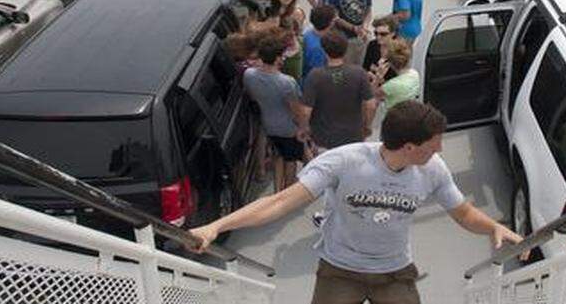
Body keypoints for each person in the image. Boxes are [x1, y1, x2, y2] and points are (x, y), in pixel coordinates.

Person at [189, 101, 525, 304]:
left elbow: (463, 213)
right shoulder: (343, 162)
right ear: (409, 146)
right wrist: (216, 226)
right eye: (433, 144)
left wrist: (494, 227)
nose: (439, 150)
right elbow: (280, 202)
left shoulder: (431, 169)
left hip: (394, 271)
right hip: (340, 270)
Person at [244, 36, 307, 193]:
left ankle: (278, 191)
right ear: (278, 58)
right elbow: (295, 109)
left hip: (268, 126)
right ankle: (289, 189)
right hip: (288, 129)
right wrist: (303, 127)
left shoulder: (249, 75)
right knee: (291, 160)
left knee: (278, 157)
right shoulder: (287, 82)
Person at [300, 31, 375, 155]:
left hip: (323, 139)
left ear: (324, 50)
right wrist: (367, 126)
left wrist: (304, 129)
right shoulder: (359, 73)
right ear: (345, 50)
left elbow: (305, 111)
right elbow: (371, 105)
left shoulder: (315, 75)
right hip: (353, 138)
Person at [328, 0, 372, 65]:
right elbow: (336, 18)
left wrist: (365, 26)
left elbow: (368, 10)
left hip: (362, 35)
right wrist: (354, 28)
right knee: (347, 64)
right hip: (345, 38)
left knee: (362, 63)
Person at [267, 0, 307, 81]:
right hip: (277, 52)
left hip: (291, 52)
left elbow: (297, 32)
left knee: (293, 81)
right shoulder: (273, 11)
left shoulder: (296, 12)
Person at [374, 39, 419, 110]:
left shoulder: (389, 86)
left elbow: (371, 95)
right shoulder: (415, 74)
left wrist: (378, 77)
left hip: (393, 118)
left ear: (389, 63)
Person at [363, 15, 403, 85]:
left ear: (393, 34)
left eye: (383, 34)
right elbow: (365, 67)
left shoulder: (398, 49)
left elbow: (400, 75)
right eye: (376, 33)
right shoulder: (373, 45)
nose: (378, 37)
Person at [301, 5, 337, 83]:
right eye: (334, 19)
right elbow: (318, 75)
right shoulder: (318, 48)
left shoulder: (308, 33)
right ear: (330, 23)